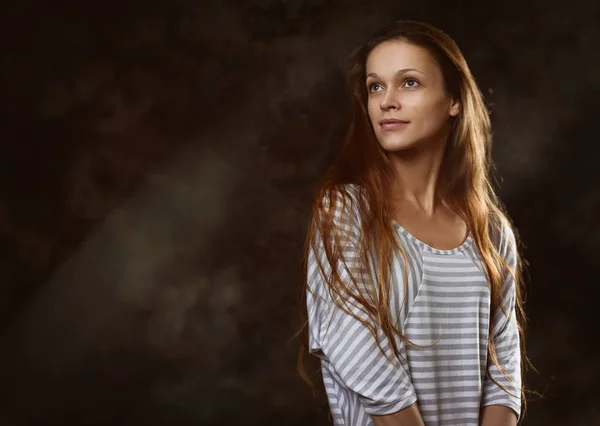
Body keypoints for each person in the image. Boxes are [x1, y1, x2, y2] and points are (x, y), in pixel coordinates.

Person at [297, 20, 530, 426]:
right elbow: (355, 347)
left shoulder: (490, 230)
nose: (387, 101)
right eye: (375, 86)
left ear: (454, 100)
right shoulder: (346, 211)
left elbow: (504, 364)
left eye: (409, 83)